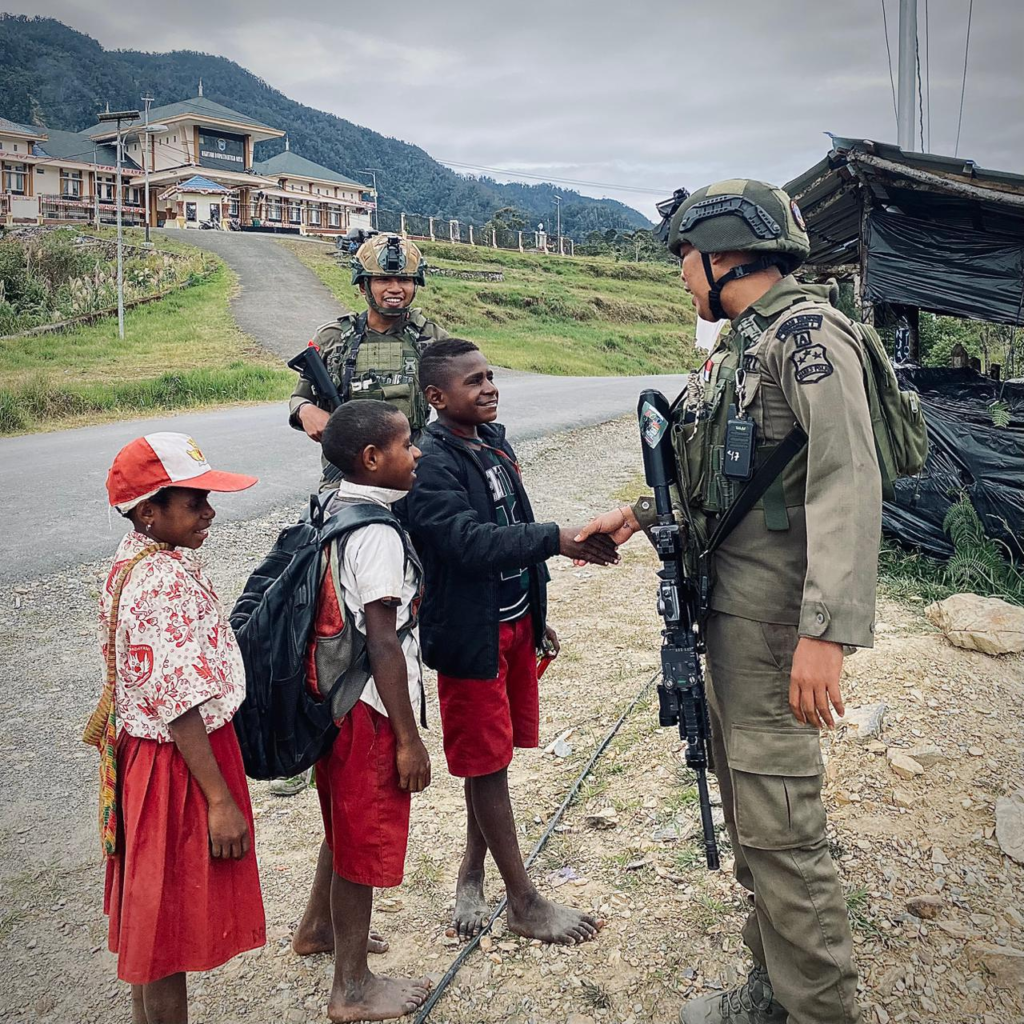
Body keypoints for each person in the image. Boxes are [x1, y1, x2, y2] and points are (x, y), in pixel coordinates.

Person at [577, 181, 881, 1024]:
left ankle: (821, 1010)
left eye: (685, 256)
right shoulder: (741, 344)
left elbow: (848, 478)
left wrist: (826, 633)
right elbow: (720, 477)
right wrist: (638, 515)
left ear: (724, 254)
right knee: (752, 819)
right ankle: (775, 990)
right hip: (729, 614)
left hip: (777, 622)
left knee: (782, 830)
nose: (681, 274)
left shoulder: (807, 335)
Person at [403, 338, 617, 945]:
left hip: (514, 624)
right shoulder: (430, 463)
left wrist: (535, 611)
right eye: (473, 381)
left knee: (494, 757)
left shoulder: (493, 442)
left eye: (491, 376)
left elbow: (511, 524)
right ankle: (522, 902)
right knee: (487, 763)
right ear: (436, 397)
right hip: (470, 636)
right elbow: (467, 542)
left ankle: (471, 873)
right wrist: (556, 539)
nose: (490, 387)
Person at [89, 432, 265, 1024]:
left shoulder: (135, 559)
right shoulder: (161, 580)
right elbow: (179, 701)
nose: (209, 512)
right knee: (165, 928)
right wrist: (219, 800)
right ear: (149, 512)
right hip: (180, 762)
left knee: (152, 918)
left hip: (151, 754)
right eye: (195, 502)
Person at [290, 401, 433, 1022]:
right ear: (373, 459)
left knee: (342, 822)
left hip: (333, 703)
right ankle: (351, 987)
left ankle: (317, 927)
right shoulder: (376, 534)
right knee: (362, 838)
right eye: (406, 444)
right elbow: (382, 643)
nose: (417, 452)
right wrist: (407, 738)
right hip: (370, 711)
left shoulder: (333, 504)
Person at [288, 232, 450, 479]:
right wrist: (305, 410)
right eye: (383, 279)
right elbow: (300, 397)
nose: (395, 288)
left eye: (404, 280)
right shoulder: (333, 338)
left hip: (414, 470)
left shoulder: (433, 338)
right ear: (363, 286)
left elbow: (462, 403)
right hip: (347, 476)